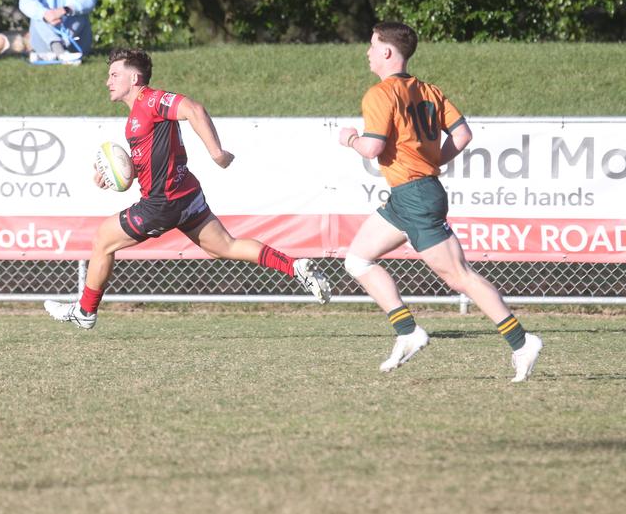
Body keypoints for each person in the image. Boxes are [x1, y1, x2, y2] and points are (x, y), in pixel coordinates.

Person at [44, 48, 331, 329]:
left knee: (103, 239)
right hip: (185, 196)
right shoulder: (136, 116)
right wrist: (116, 174)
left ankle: (85, 311)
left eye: (114, 74)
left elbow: (194, 109)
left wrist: (217, 153)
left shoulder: (151, 100)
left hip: (163, 203)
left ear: (134, 79)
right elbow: (151, 162)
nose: (108, 81)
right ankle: (295, 267)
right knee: (226, 247)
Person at [338, 21, 542, 382]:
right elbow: (462, 135)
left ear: (387, 51)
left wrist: (350, 139)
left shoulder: (379, 93)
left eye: (372, 45)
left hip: (416, 195)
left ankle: (522, 341)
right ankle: (407, 332)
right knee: (357, 259)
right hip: (408, 196)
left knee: (460, 276)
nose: (367, 52)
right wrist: (431, 161)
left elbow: (371, 147)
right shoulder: (430, 90)